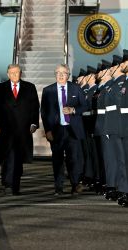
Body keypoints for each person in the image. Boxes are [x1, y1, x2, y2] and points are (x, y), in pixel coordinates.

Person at [0, 64, 40, 195]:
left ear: (20, 73)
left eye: (16, 72)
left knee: (18, 159)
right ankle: (7, 184)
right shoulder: (0, 88)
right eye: (11, 73)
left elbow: (35, 108)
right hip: (5, 131)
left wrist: (34, 124)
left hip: (23, 131)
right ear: (7, 74)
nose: (14, 75)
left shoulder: (30, 87)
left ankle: (15, 185)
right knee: (8, 157)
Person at [41, 63, 87, 195]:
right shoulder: (48, 90)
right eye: (58, 73)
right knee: (57, 160)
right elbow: (44, 112)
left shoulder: (76, 89)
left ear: (68, 75)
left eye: (63, 73)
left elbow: (85, 105)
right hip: (56, 131)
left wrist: (73, 110)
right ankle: (58, 187)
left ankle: (75, 184)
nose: (61, 75)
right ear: (55, 75)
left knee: (74, 159)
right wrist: (48, 130)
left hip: (73, 130)